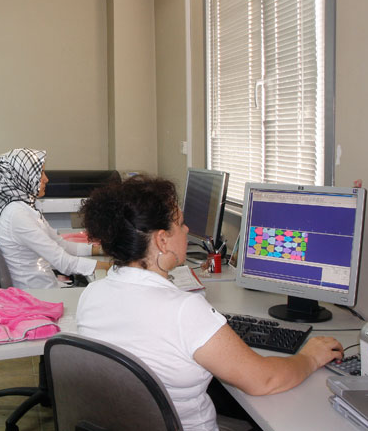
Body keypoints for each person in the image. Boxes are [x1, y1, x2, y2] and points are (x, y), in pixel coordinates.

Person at [76, 176, 344, 431]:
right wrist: (310, 358)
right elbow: (264, 380)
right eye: (180, 223)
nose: (186, 230)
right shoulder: (184, 310)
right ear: (162, 239)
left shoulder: (92, 294)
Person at [0, 148, 110, 289]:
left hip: (44, 287)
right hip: (37, 293)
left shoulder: (26, 208)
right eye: (40, 173)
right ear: (22, 177)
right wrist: (111, 266)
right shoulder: (17, 215)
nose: (46, 179)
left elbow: (62, 245)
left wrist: (101, 250)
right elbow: (64, 263)